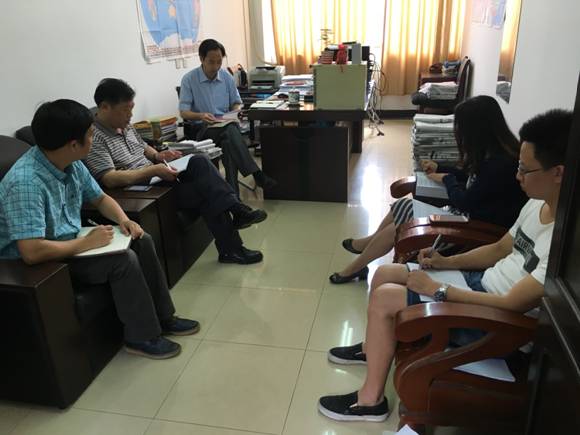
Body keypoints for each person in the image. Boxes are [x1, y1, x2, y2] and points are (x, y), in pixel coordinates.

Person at [318, 109, 571, 422]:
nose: (517, 175)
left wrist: (439, 290)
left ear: (558, 173)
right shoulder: (536, 204)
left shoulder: (565, 243)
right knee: (385, 273)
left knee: (385, 298)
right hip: (480, 286)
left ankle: (370, 402)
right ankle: (373, 349)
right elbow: (499, 248)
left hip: (496, 322)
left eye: (524, 169)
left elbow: (511, 304)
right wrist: (445, 262)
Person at [0, 99, 201, 359]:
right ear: (73, 144)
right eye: (90, 135)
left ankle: (165, 317)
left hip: (68, 240)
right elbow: (31, 251)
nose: (94, 140)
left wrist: (124, 220)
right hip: (39, 263)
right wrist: (85, 244)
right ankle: (140, 337)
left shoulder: (69, 162)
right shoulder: (26, 182)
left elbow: (100, 198)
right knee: (122, 260)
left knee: (141, 239)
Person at [330, 95, 528, 284]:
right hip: (469, 220)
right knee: (402, 205)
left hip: (474, 232)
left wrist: (448, 179)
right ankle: (366, 249)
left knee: (399, 227)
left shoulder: (499, 166)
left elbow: (464, 201)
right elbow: (472, 178)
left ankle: (357, 265)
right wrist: (441, 168)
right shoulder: (497, 155)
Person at [86, 78, 265, 265]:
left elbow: (143, 147)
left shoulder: (124, 125)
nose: (130, 115)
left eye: (132, 108)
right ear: (105, 107)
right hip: (137, 189)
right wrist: (153, 170)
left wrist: (158, 155)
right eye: (125, 109)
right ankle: (233, 243)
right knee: (207, 192)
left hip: (154, 176)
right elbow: (110, 178)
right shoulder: (94, 137)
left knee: (199, 160)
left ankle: (236, 213)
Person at [178, 38, 277, 194]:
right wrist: (201, 115)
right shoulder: (189, 79)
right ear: (201, 59)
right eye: (211, 62)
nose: (216, 66)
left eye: (219, 61)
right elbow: (184, 112)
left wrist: (235, 111)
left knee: (228, 142)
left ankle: (233, 197)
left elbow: (236, 102)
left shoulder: (226, 77)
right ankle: (257, 174)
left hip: (225, 126)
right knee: (230, 131)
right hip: (203, 130)